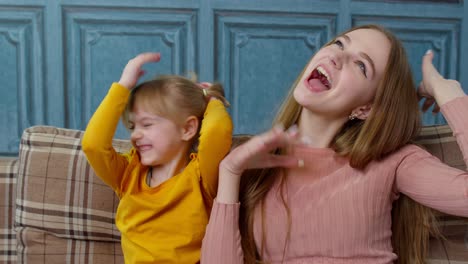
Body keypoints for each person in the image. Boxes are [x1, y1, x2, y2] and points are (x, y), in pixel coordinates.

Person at [200, 24, 468, 264]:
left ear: (366, 109)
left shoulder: (392, 161)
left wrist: (448, 93)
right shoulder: (254, 164)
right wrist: (230, 172)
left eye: (361, 65)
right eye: (339, 44)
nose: (337, 56)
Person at [82, 52, 233, 263]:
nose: (135, 134)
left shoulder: (201, 176)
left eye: (147, 124)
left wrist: (212, 99)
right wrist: (124, 86)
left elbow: (217, 131)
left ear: (188, 128)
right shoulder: (128, 175)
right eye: (133, 126)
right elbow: (93, 145)